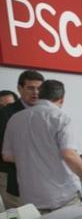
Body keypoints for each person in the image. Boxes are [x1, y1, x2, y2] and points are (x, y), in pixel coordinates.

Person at [2, 80, 82, 213]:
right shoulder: (60, 117)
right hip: (64, 195)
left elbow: (7, 156)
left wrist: (34, 156)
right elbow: (69, 155)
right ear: (61, 99)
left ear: (39, 95)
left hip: (31, 198)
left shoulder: (15, 119)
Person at [0, 70, 45, 208]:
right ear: (19, 89)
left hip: (43, 176)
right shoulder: (5, 114)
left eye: (39, 88)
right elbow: (4, 150)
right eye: (30, 88)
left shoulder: (46, 111)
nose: (35, 92)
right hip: (13, 177)